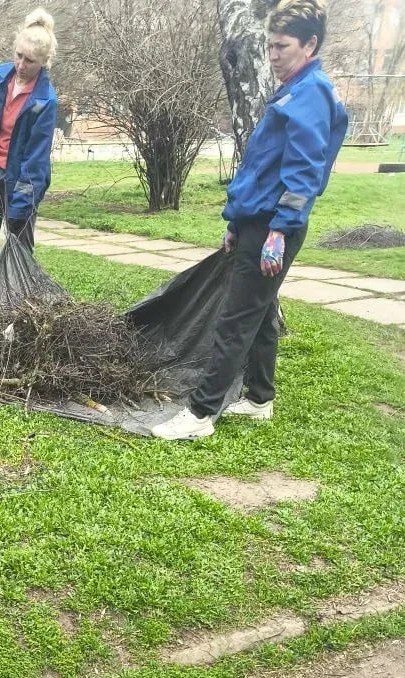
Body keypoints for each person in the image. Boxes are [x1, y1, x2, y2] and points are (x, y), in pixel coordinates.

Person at [151, 0, 347, 441]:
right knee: (260, 312)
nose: (273, 55)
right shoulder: (295, 91)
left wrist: (278, 230)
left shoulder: (310, 94)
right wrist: (237, 222)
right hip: (258, 222)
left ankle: (200, 415)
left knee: (236, 317)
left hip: (273, 228)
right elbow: (264, 168)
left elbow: (304, 170)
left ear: (310, 44)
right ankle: (259, 397)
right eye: (270, 46)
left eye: (282, 46)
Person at [0, 8, 58, 286]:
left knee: (19, 257)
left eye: (29, 60)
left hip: (19, 184)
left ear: (43, 62)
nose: (21, 65)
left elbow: (36, 160)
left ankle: (19, 320)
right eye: (18, 55)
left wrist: (20, 208)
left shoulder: (45, 101)